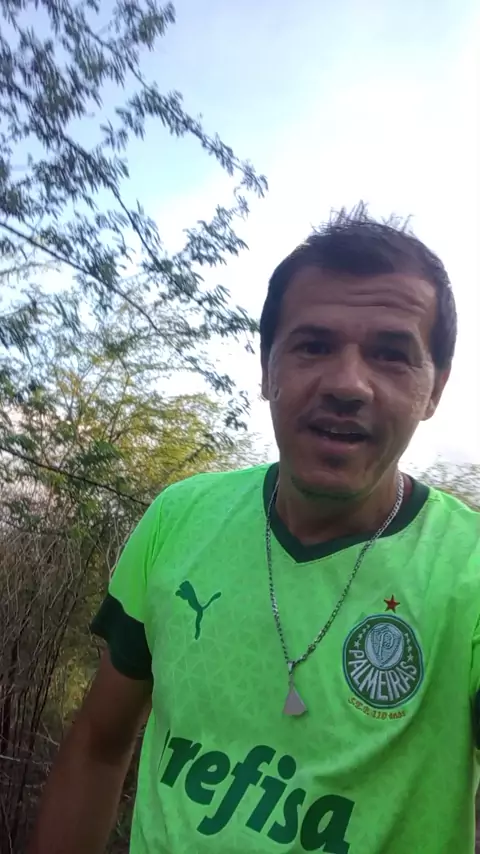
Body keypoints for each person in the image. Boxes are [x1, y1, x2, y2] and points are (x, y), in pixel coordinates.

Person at [29, 205, 480, 854]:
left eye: (390, 354)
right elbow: (100, 745)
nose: (348, 384)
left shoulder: (467, 573)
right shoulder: (180, 519)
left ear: (434, 390)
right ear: (268, 369)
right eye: (313, 345)